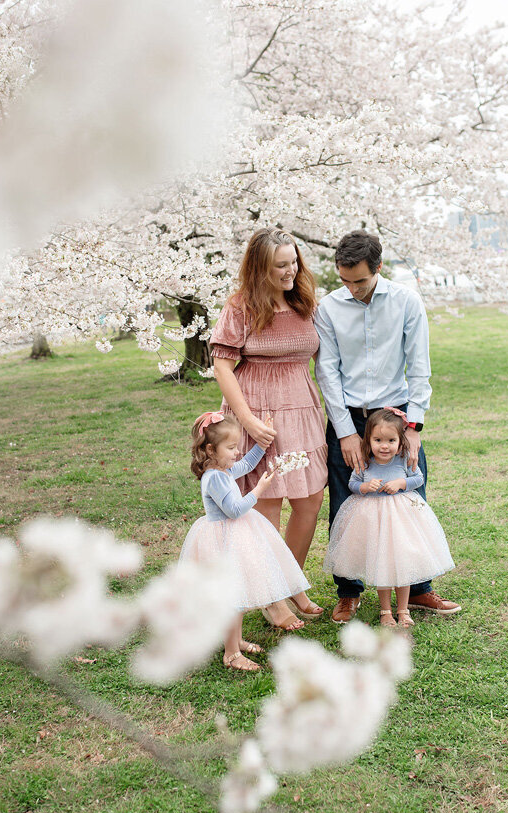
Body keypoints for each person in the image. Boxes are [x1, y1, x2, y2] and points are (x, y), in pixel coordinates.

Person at [315, 229, 461, 623]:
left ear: (378, 268)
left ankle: (418, 589)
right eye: (344, 281)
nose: (352, 289)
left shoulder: (406, 301)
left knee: (410, 502)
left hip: (397, 421)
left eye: (359, 281)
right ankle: (348, 591)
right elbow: (327, 371)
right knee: (346, 503)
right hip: (349, 419)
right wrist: (345, 432)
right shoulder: (328, 307)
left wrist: (414, 426)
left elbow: (419, 368)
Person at [211, 228, 327, 620]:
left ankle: (289, 582)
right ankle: (270, 597)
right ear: (260, 268)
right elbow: (222, 365)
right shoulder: (241, 307)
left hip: (302, 405)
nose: (291, 270)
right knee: (268, 504)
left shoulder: (304, 300)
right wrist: (246, 420)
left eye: (294, 261)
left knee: (310, 500)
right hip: (257, 408)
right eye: (281, 265)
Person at [180, 411, 312, 671]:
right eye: (231, 448)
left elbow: (247, 465)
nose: (237, 452)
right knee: (233, 598)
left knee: (237, 594)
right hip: (223, 541)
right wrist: (259, 490)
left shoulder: (223, 469)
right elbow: (235, 510)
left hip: (235, 537)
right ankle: (230, 654)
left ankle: (236, 640)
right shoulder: (214, 478)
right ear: (210, 449)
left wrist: (263, 443)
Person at [324, 408, 455, 628]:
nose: (384, 446)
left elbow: (418, 478)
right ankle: (385, 611)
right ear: (368, 440)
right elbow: (353, 483)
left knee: (403, 560)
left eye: (391, 440)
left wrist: (401, 484)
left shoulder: (403, 459)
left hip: (400, 518)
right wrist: (364, 487)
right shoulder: (365, 461)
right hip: (373, 518)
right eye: (378, 440)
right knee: (381, 562)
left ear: (400, 441)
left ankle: (403, 610)